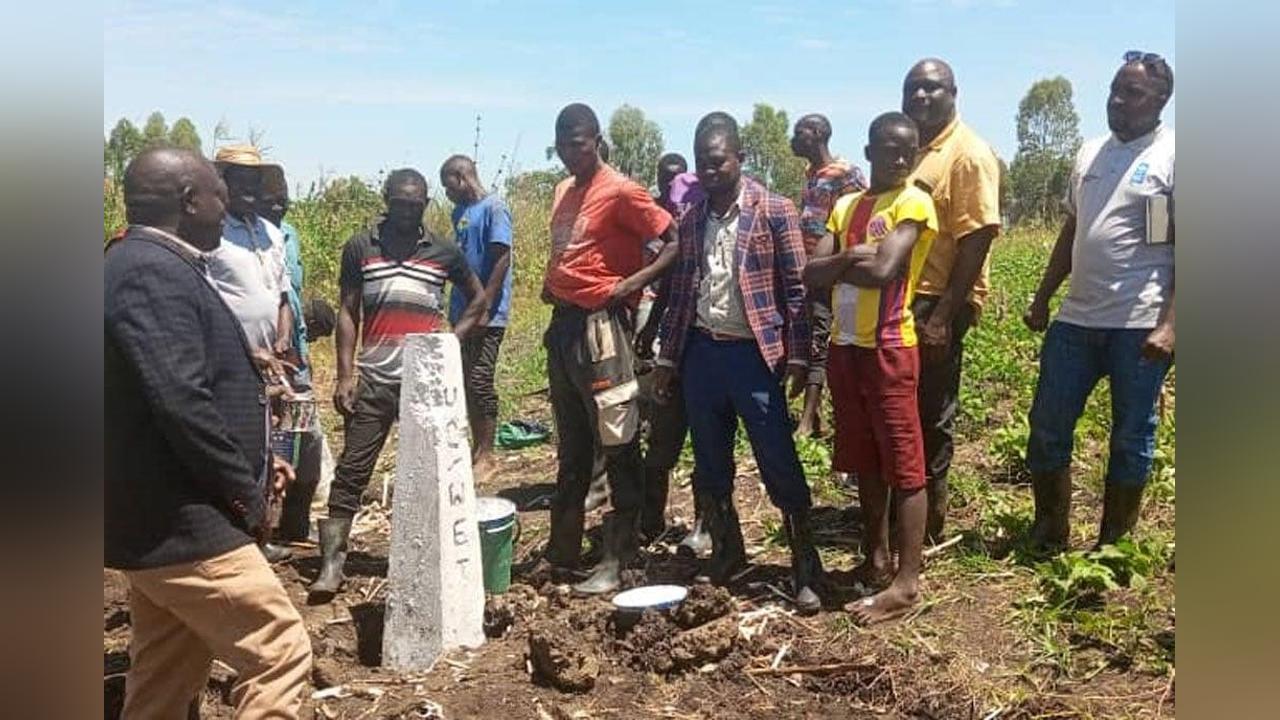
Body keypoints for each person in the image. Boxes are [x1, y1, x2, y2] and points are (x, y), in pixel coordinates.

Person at [106, 147, 312, 717]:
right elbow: (182, 402)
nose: (228, 208)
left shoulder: (153, 266)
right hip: (185, 523)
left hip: (159, 526)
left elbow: (179, 384)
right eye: (219, 195)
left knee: (165, 677)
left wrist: (261, 463)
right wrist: (244, 490)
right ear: (190, 200)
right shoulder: (148, 271)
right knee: (279, 651)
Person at [652, 119, 823, 615]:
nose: (709, 169)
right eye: (702, 160)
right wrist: (668, 357)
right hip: (703, 354)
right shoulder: (690, 218)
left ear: (740, 157)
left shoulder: (773, 210)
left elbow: (797, 289)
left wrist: (798, 357)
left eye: (718, 160)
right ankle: (728, 549)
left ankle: (804, 563)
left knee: (778, 459)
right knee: (710, 461)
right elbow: (682, 294)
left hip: (754, 355)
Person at [309, 168, 488, 602]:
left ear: (426, 204)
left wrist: (451, 340)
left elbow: (479, 299)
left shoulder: (443, 251)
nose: (408, 211)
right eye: (400, 203)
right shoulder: (361, 247)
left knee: (428, 471)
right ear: (386, 200)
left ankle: (425, 554)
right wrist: (346, 373)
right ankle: (333, 561)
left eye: (417, 204)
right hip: (374, 378)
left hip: (424, 385)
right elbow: (348, 312)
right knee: (353, 470)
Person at [1023, 53, 1175, 551]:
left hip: (1138, 323)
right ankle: (1050, 530)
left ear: (1160, 101)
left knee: (1131, 436)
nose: (1117, 100)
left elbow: (1175, 244)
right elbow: (1073, 229)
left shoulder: (1171, 158)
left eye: (1131, 93)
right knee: (1047, 425)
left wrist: (1170, 325)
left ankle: (1112, 544)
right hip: (1077, 320)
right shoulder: (1090, 154)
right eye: (1114, 89)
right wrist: (1044, 295)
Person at [805, 112, 938, 624]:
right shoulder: (845, 205)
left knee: (904, 463)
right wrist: (851, 257)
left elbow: (885, 271)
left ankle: (907, 584)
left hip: (888, 346)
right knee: (864, 459)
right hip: (846, 348)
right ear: (868, 151)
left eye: (908, 150)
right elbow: (811, 273)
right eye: (889, 149)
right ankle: (875, 557)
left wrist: (847, 261)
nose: (899, 158)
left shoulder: (914, 201)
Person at [542, 103, 679, 595]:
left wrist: (631, 286)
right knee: (573, 442)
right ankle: (562, 552)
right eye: (561, 146)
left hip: (603, 329)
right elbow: (567, 252)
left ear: (596, 140)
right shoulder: (562, 191)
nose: (568, 155)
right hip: (564, 328)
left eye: (577, 145)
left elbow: (672, 241)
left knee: (618, 439)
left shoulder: (622, 191)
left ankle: (619, 557)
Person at [900, 58, 1003, 543]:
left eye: (931, 88)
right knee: (901, 409)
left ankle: (929, 522)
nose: (920, 97)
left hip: (936, 303)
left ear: (954, 93)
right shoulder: (910, 152)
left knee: (930, 412)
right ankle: (906, 509)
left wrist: (942, 317)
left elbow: (977, 238)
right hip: (902, 300)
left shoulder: (967, 154)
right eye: (913, 89)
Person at [210, 144, 298, 563]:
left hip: (270, 360)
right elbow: (205, 301)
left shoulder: (270, 231)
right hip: (228, 361)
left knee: (267, 446)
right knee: (232, 447)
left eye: (254, 183)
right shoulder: (211, 234)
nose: (248, 191)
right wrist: (244, 350)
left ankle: (257, 538)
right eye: (240, 183)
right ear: (221, 183)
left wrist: (282, 337)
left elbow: (281, 295)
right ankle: (232, 544)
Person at [634, 152, 709, 552]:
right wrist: (650, 328)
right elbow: (668, 288)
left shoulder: (717, 232)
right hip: (674, 348)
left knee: (706, 443)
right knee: (662, 436)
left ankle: (704, 525)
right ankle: (650, 520)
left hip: (708, 353)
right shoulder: (682, 235)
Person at [258, 165, 329, 546]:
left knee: (306, 441)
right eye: (271, 203)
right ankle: (264, 532)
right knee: (269, 442)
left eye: (283, 203)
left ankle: (296, 526)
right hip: (260, 359)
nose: (278, 209)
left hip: (294, 357)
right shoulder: (233, 239)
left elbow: (291, 298)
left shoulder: (290, 236)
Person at [790, 113, 868, 438]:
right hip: (811, 271)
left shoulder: (846, 173)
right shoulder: (811, 174)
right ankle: (817, 416)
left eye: (800, 132)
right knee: (811, 337)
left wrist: (840, 263)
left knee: (822, 340)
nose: (794, 139)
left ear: (818, 134)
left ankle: (808, 420)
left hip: (834, 272)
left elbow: (861, 217)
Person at [440, 155, 515, 483]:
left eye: (447, 185)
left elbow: (501, 259)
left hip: (488, 314)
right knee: (465, 381)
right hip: (462, 314)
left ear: (460, 177)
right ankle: (474, 448)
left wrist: (485, 303)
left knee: (480, 381)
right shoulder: (459, 213)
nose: (447, 193)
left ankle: (488, 455)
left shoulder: (494, 208)